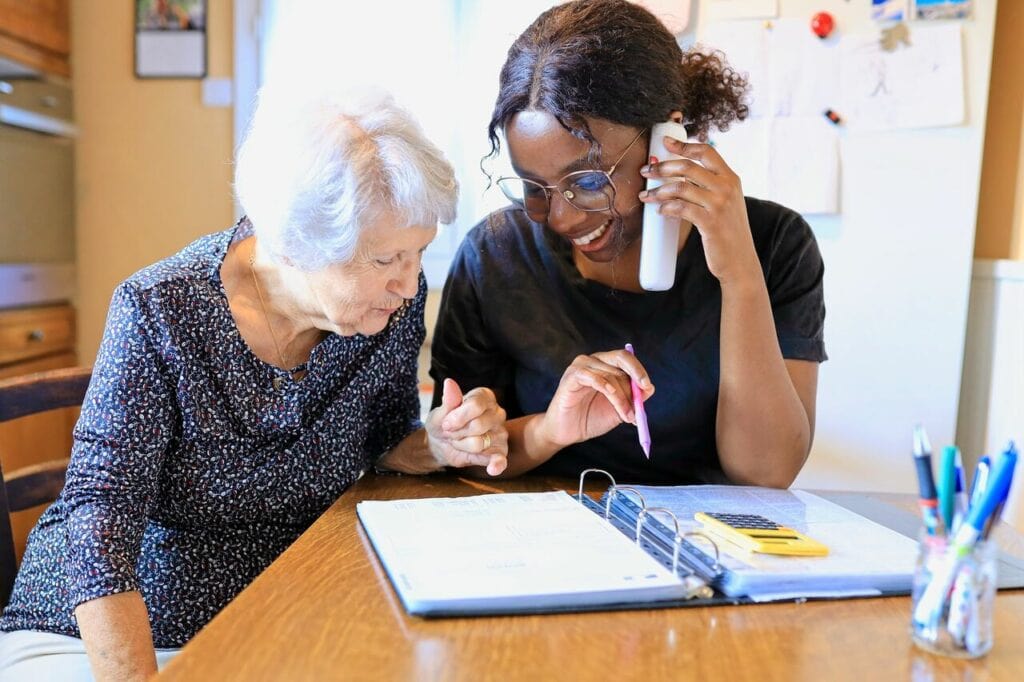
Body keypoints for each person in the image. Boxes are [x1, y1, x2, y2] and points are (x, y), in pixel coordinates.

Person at [0, 86, 508, 681]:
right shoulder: (160, 312)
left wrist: (437, 444)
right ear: (296, 245)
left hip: (283, 607)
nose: (408, 282)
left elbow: (381, 444)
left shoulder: (387, 306)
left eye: (419, 253)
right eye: (384, 260)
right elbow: (99, 521)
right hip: (115, 633)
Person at [430, 0, 826, 488]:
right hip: (540, 536)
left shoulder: (775, 244)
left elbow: (766, 473)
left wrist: (739, 274)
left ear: (667, 139)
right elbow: (463, 454)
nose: (561, 216)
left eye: (590, 181)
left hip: (702, 543)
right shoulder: (495, 255)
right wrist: (549, 432)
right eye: (534, 187)